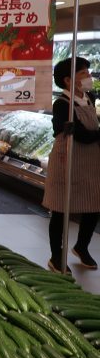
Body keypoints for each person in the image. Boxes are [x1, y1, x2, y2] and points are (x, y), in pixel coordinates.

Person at [42, 57, 100, 273]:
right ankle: (56, 256)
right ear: (68, 80)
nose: (88, 77)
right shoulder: (61, 104)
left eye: (87, 72)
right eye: (83, 73)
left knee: (93, 205)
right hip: (68, 159)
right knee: (60, 209)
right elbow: (73, 133)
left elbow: (86, 131)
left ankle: (81, 247)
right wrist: (94, 134)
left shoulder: (90, 98)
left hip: (91, 161)